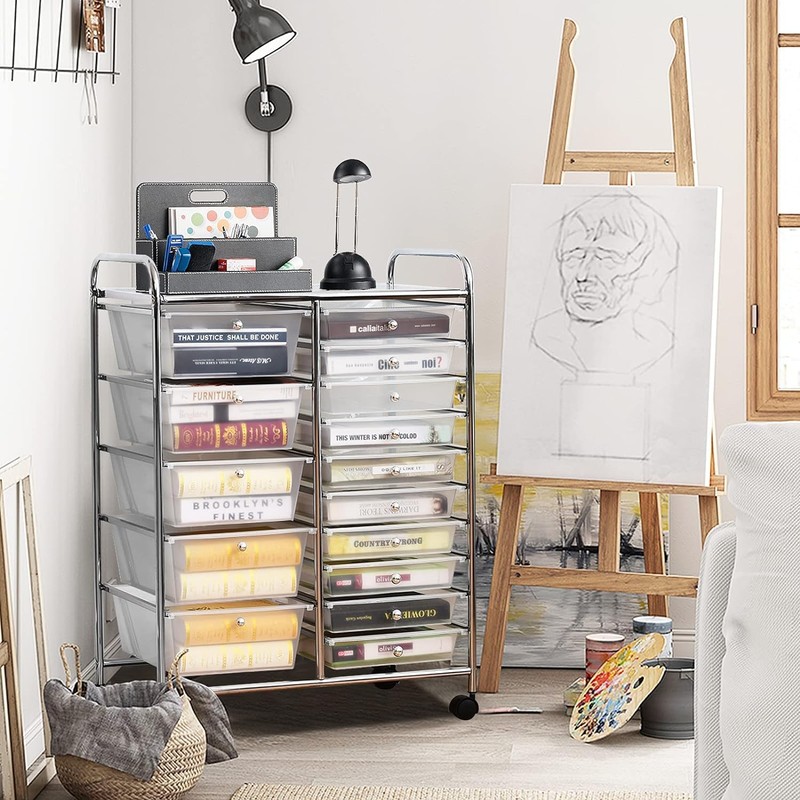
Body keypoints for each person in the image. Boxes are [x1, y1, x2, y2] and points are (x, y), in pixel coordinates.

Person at [531, 193, 679, 377]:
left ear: (648, 268)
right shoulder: (544, 334)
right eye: (574, 257)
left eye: (608, 259)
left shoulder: (658, 341)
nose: (583, 275)